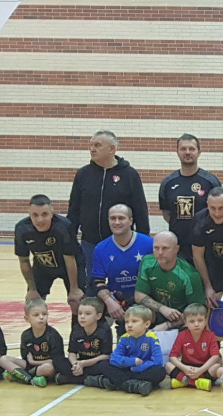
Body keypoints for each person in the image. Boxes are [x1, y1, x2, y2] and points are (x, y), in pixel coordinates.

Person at [68, 130, 150, 281]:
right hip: (89, 243)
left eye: (97, 145)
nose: (92, 149)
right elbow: (74, 209)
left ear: (112, 149)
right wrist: (70, 238)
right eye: (91, 145)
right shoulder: (83, 174)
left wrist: (143, 240)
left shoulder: (130, 174)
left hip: (121, 244)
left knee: (122, 283)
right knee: (92, 284)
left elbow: (140, 210)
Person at [15, 194, 85, 321]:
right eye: (35, 215)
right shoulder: (22, 229)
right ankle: (40, 332)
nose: (40, 220)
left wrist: (74, 289)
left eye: (45, 214)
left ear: (52, 213)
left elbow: (70, 260)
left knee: (77, 303)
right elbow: (24, 261)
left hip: (70, 266)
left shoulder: (64, 226)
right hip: (43, 267)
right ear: (29, 213)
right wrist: (32, 289)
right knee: (33, 304)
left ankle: (77, 332)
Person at [90, 204, 154, 335]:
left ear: (130, 221)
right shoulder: (101, 248)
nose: (117, 222)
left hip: (145, 298)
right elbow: (97, 281)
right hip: (117, 300)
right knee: (91, 312)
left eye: (121, 218)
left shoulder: (149, 244)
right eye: (113, 218)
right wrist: (109, 302)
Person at [158, 133, 221, 263]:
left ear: (199, 152)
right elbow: (167, 214)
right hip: (179, 247)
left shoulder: (211, 181)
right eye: (183, 149)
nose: (187, 152)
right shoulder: (168, 183)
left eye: (192, 149)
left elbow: (220, 212)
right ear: (177, 152)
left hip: (206, 246)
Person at [86, 305, 165, 396]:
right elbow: (114, 358)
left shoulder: (151, 338)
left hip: (142, 369)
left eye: (134, 321)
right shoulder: (124, 338)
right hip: (127, 367)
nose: (129, 325)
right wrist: (132, 361)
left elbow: (158, 361)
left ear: (146, 324)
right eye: (127, 322)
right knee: (103, 365)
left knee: (160, 372)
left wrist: (137, 368)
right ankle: (134, 385)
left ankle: (115, 382)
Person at [134, 232, 207, 331]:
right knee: (135, 315)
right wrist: (162, 309)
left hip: (181, 319)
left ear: (176, 249)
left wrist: (168, 325)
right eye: (156, 248)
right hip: (158, 312)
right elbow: (138, 295)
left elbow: (197, 311)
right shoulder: (147, 262)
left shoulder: (189, 275)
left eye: (165, 248)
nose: (160, 252)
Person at [0, 298, 62, 388]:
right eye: (36, 315)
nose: (41, 317)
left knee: (48, 368)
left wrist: (34, 362)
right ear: (27, 318)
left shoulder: (53, 335)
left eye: (44, 314)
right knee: (3, 359)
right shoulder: (26, 335)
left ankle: (20, 376)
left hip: (44, 367)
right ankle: (31, 379)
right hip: (30, 367)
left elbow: (57, 361)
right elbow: (25, 360)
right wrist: (31, 363)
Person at [54, 297, 113, 385]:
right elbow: (72, 352)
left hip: (94, 363)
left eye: (87, 314)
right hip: (80, 363)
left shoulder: (104, 331)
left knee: (105, 365)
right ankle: (92, 379)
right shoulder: (76, 329)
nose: (82, 317)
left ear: (98, 316)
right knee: (58, 360)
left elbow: (106, 356)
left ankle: (70, 378)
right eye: (80, 313)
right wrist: (75, 364)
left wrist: (84, 363)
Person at [166, 303, 221, 391]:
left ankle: (183, 381)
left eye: (200, 320)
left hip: (204, 368)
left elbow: (215, 356)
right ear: (186, 323)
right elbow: (173, 356)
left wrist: (200, 370)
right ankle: (197, 382)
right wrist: (185, 368)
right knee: (168, 365)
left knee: (217, 367)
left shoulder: (210, 335)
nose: (196, 324)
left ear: (205, 320)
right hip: (187, 368)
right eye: (192, 321)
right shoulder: (181, 335)